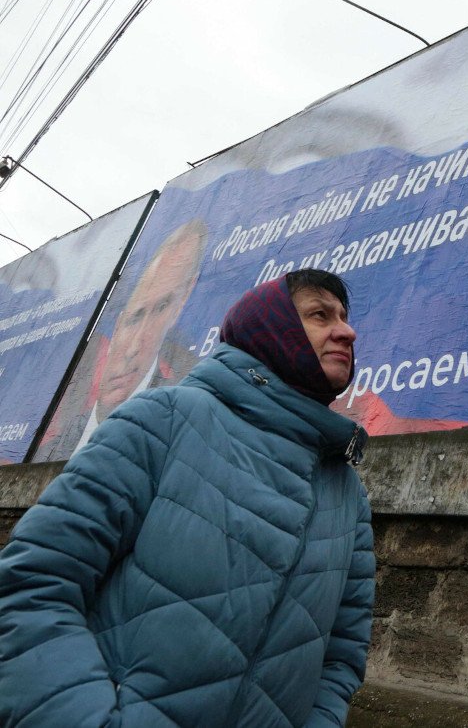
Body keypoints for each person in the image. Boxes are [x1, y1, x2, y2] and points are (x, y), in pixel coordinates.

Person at [0, 269, 374, 727]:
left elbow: (340, 659)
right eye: (320, 315)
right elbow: (31, 589)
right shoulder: (163, 421)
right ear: (270, 329)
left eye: (344, 317)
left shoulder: (348, 494)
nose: (347, 330)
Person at [32, 219, 207, 461]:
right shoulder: (53, 441)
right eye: (134, 319)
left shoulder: (183, 415)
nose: (133, 349)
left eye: (161, 307)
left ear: (185, 296)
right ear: (117, 324)